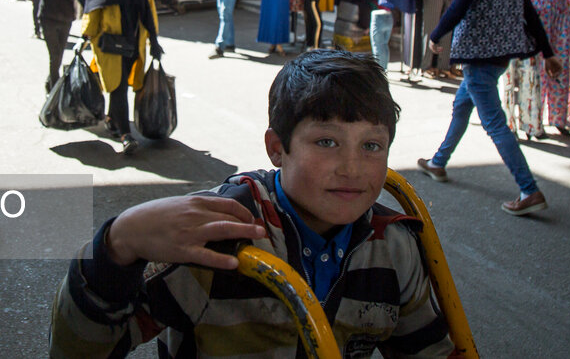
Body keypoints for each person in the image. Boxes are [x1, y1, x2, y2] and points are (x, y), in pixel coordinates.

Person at [49, 50, 456, 356]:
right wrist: (117, 244)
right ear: (277, 149)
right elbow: (82, 348)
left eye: (372, 145)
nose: (351, 168)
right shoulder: (214, 238)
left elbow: (426, 349)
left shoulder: (393, 247)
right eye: (326, 142)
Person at [417, 0, 562, 216]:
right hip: (500, 58)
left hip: (477, 59)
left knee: (495, 124)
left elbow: (458, 8)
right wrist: (548, 53)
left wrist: (436, 33)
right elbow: (530, 15)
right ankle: (437, 163)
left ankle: (529, 189)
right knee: (461, 106)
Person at [81, 0, 163, 155]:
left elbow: (147, 10)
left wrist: (154, 39)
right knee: (117, 87)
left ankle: (111, 118)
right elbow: (93, 7)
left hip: (134, 41)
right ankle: (126, 134)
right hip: (109, 41)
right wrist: (86, 34)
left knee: (123, 84)